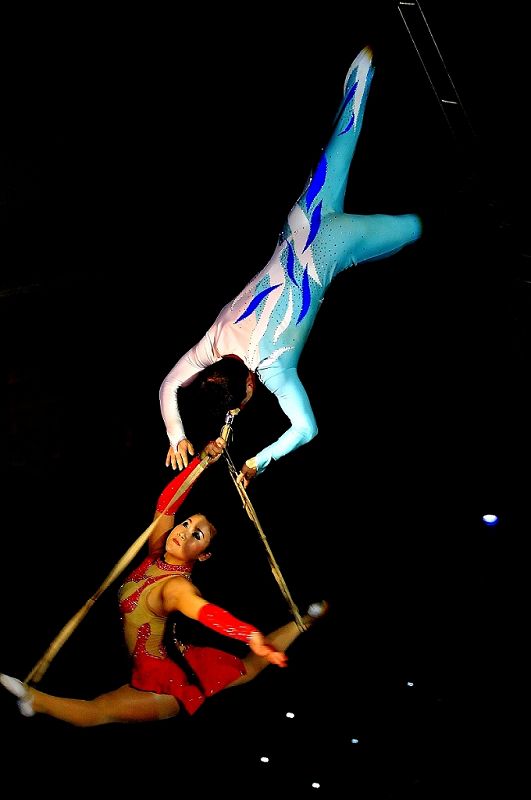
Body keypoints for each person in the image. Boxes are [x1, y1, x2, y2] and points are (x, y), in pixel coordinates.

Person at [160, 45, 423, 488]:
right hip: (302, 219)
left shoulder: (275, 372)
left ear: (248, 389)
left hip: (338, 244)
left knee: (413, 228)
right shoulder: (213, 342)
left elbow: (306, 429)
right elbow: (169, 385)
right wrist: (176, 436)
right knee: (346, 128)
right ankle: (369, 57)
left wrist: (257, 462)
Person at [0, 449, 327, 725]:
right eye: (187, 523)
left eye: (196, 535)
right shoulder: (157, 553)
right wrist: (200, 462)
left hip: (167, 684)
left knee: (100, 711)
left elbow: (205, 612)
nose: (183, 531)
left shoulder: (176, 588)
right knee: (248, 668)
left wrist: (249, 634)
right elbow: (167, 505)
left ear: (203, 555)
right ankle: (304, 620)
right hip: (170, 655)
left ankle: (34, 700)